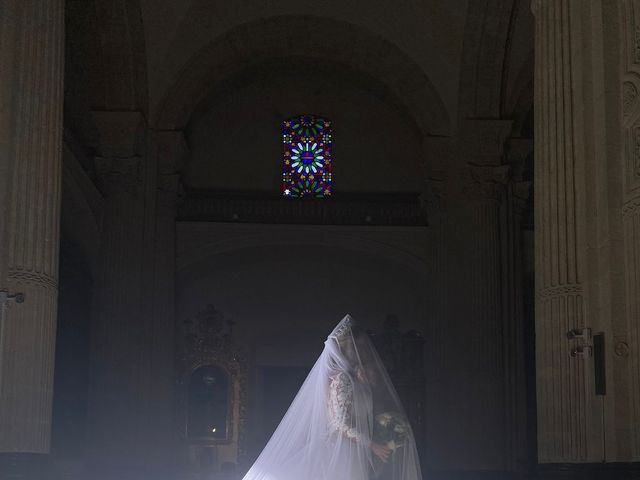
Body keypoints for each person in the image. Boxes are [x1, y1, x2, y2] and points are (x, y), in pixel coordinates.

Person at [241, 315, 422, 480]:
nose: (362, 351)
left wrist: (385, 430)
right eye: (357, 347)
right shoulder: (342, 378)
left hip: (355, 451)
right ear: (347, 348)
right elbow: (338, 423)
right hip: (341, 452)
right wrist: (371, 444)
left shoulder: (357, 378)